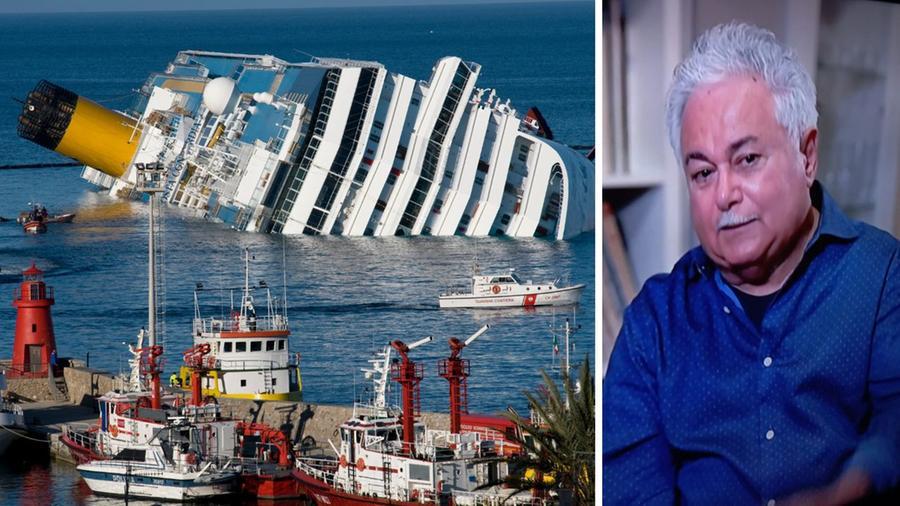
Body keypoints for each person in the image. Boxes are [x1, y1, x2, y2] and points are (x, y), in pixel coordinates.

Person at [603, 22, 900, 505]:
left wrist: (849, 491)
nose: (724, 195)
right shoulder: (652, 325)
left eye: (746, 160)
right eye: (702, 172)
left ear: (807, 157)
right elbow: (632, 489)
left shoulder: (881, 273)